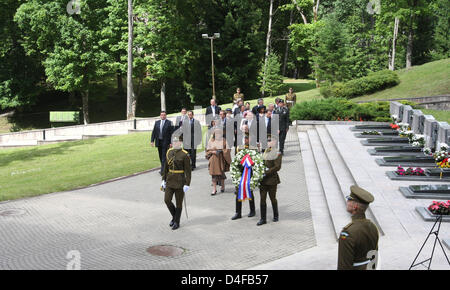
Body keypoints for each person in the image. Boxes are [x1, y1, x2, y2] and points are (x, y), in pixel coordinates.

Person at [337, 185, 379, 270]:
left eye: (349, 200)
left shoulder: (348, 233)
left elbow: (344, 266)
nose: (347, 202)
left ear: (355, 206)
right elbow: (374, 255)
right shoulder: (373, 227)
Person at [161, 136, 191, 230]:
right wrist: (163, 180)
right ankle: (175, 217)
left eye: (176, 141)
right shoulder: (169, 152)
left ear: (180, 143)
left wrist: (187, 184)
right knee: (167, 200)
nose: (174, 143)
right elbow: (165, 167)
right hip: (169, 180)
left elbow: (188, 171)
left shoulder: (185, 155)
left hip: (180, 181)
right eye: (173, 141)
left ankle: (177, 222)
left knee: (178, 203)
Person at [231, 135, 258, 220]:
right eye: (245, 138)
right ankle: (238, 212)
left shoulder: (254, 148)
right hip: (240, 172)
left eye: (247, 138)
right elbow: (236, 159)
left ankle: (252, 210)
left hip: (249, 172)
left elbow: (256, 159)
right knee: (238, 191)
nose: (246, 140)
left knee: (250, 191)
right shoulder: (239, 147)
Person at [257, 135, 282, 226]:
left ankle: (276, 215)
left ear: (275, 142)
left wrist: (266, 172)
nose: (268, 142)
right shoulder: (265, 151)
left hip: (272, 180)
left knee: (272, 198)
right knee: (262, 199)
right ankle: (263, 218)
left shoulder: (277, 153)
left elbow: (277, 167)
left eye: (270, 140)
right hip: (263, 180)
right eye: (267, 140)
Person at [206, 127, 229, 195]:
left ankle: (222, 186)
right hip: (213, 159)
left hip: (221, 158)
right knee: (213, 174)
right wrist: (212, 151)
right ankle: (214, 189)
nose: (218, 134)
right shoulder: (211, 141)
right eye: (216, 133)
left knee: (221, 173)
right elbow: (207, 150)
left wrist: (221, 151)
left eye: (219, 133)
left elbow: (227, 149)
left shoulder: (224, 140)